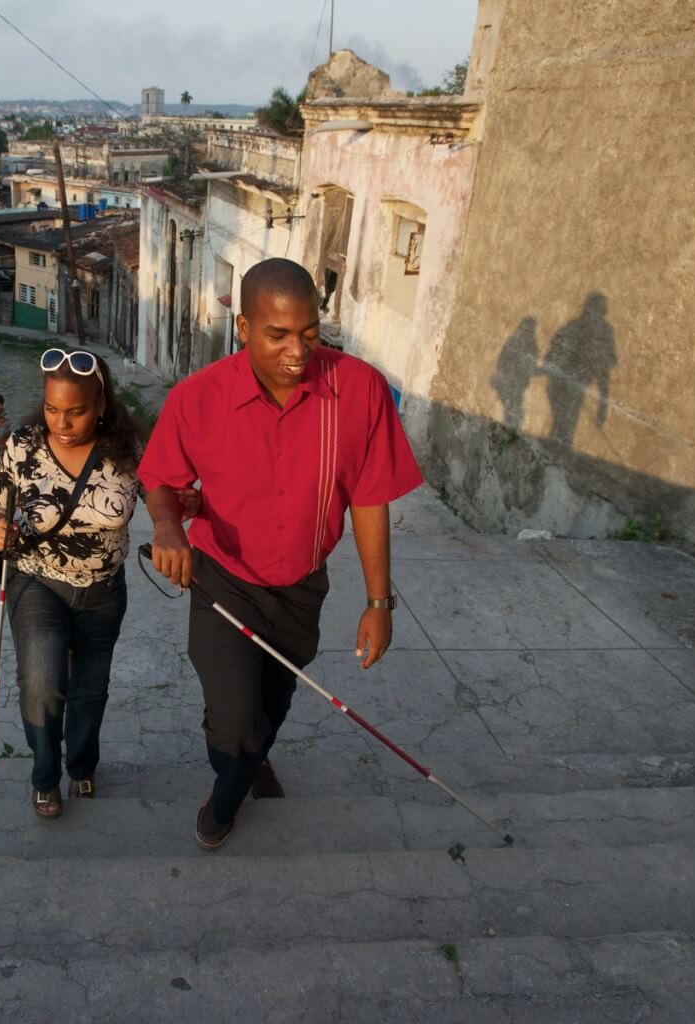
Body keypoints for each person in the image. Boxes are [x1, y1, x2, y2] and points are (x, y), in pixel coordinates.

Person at [139, 258, 423, 850]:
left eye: (310, 333)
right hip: (223, 584)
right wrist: (168, 528)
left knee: (275, 698)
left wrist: (378, 602)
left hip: (303, 587)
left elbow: (370, 499)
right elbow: (160, 479)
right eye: (278, 335)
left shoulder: (361, 389)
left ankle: (247, 762)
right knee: (237, 724)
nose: (298, 351)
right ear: (243, 327)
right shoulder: (199, 398)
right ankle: (226, 796)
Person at [0, 350, 186, 820]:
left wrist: (167, 525)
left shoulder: (128, 449)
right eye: (53, 409)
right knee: (42, 683)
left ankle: (82, 763)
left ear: (101, 405)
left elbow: (158, 491)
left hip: (103, 591)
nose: (62, 422)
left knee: (90, 689)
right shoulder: (24, 444)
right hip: (38, 580)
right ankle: (45, 776)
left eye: (75, 411)